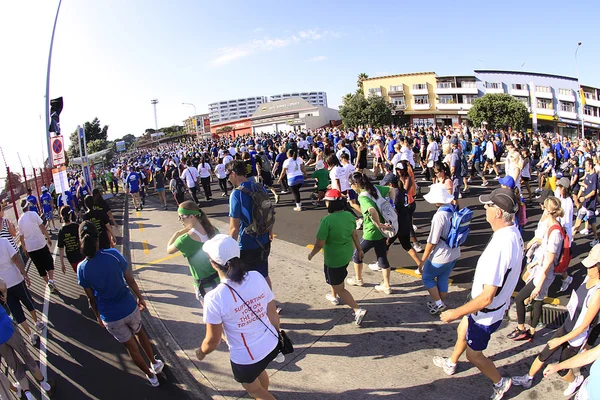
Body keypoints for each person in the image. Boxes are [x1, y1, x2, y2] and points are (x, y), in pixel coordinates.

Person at [433, 188, 523, 400]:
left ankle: (500, 383)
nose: (485, 207)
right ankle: (452, 362)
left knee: (474, 355)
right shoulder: (512, 232)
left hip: (486, 314)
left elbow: (486, 297)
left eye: (489, 205)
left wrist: (453, 313)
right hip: (489, 308)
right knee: (464, 328)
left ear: (499, 213)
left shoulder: (500, 247)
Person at [77, 221, 164, 387]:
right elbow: (130, 279)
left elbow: (91, 299)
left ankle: (151, 376)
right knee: (140, 332)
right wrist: (140, 297)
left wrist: (98, 317)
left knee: (132, 348)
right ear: (98, 239)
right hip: (129, 306)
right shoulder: (113, 254)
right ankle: (154, 362)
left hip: (110, 316)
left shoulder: (82, 268)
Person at [197, 234, 280, 400]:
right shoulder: (256, 276)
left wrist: (201, 352)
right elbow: (272, 312)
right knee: (260, 372)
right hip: (271, 344)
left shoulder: (214, 298)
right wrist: (276, 335)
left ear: (213, 264)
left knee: (254, 389)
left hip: (246, 357)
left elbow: (213, 340)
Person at [512, 243, 600, 397]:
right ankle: (528, 378)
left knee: (563, 369)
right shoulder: (588, 277)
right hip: (566, 326)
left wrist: (561, 341)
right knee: (544, 353)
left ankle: (575, 380)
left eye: (592, 265)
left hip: (575, 337)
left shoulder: (597, 293)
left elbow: (584, 326)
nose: (587, 268)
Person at [508, 196, 564, 342]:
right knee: (538, 301)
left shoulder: (555, 233)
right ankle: (531, 331)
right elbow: (545, 254)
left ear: (546, 209)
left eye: (543, 207)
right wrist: (535, 263)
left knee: (520, 299)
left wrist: (538, 285)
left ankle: (521, 328)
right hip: (541, 270)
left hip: (543, 275)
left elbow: (550, 260)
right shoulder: (552, 227)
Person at [308, 189, 367, 325]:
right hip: (346, 254)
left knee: (339, 286)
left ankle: (357, 310)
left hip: (333, 259)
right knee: (338, 278)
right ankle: (333, 296)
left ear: (330, 204)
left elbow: (319, 244)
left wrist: (311, 254)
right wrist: (359, 249)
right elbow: (355, 234)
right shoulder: (348, 216)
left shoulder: (326, 221)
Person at [0, 278, 55, 399]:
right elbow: (3, 284)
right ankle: (46, 385)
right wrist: (4, 296)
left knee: (15, 365)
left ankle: (28, 395)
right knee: (26, 356)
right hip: (7, 328)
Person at [226, 161, 274, 288]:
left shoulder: (236, 194)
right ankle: (271, 304)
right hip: (263, 240)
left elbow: (234, 228)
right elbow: (268, 211)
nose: (228, 178)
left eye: (228, 175)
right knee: (263, 274)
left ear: (234, 173)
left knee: (245, 279)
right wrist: (269, 231)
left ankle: (255, 304)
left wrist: (229, 249)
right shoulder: (259, 187)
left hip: (247, 244)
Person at [346, 172, 394, 294]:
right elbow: (391, 190)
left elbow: (372, 210)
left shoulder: (363, 196)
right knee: (382, 257)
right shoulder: (375, 188)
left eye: (351, 184)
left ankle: (358, 279)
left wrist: (378, 223)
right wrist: (392, 206)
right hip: (383, 233)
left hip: (371, 232)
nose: (350, 186)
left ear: (356, 184)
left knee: (357, 254)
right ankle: (387, 286)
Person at [167, 201, 219, 306]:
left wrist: (177, 233)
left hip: (204, 286)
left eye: (181, 217)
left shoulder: (185, 239)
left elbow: (169, 249)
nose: (180, 220)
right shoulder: (214, 230)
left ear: (191, 216)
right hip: (219, 280)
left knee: (211, 318)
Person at [420, 183, 461, 315]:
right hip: (454, 251)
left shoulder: (439, 216)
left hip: (441, 254)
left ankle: (438, 303)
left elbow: (432, 241)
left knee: (427, 277)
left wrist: (423, 260)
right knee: (443, 278)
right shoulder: (452, 208)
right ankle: (440, 302)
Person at [0, 237, 46, 346]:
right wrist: (24, 274)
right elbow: (15, 258)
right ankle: (37, 322)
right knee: (27, 301)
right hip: (16, 279)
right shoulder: (4, 241)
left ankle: (30, 335)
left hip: (3, 286)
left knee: (16, 310)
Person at [18, 200, 58, 293]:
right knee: (48, 261)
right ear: (28, 206)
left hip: (31, 248)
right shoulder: (34, 214)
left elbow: (21, 237)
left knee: (40, 267)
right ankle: (51, 280)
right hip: (40, 244)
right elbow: (42, 227)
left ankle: (48, 283)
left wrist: (24, 249)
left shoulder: (20, 220)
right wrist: (48, 237)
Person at [57, 206, 84, 273]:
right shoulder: (76, 226)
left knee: (78, 272)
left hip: (71, 257)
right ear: (70, 215)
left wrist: (62, 264)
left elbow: (61, 248)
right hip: (81, 254)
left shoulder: (61, 231)